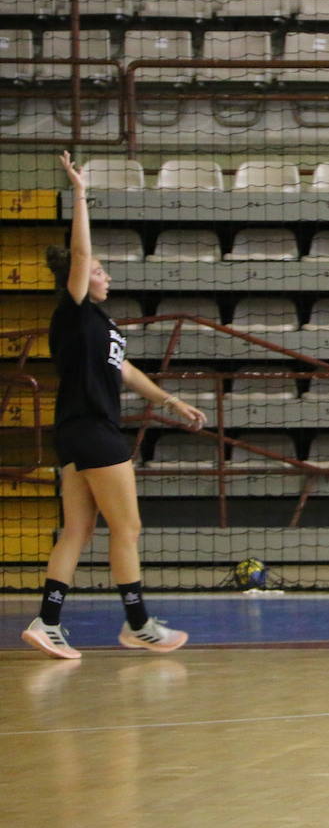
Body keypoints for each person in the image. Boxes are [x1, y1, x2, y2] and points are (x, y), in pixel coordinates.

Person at [20, 152, 207, 660]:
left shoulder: (101, 325)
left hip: (76, 433)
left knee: (78, 528)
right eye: (99, 269)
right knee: (128, 528)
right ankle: (139, 624)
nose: (103, 274)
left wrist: (170, 399)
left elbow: (123, 371)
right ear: (80, 280)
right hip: (96, 432)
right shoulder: (74, 310)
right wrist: (80, 194)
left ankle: (48, 622)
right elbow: (80, 257)